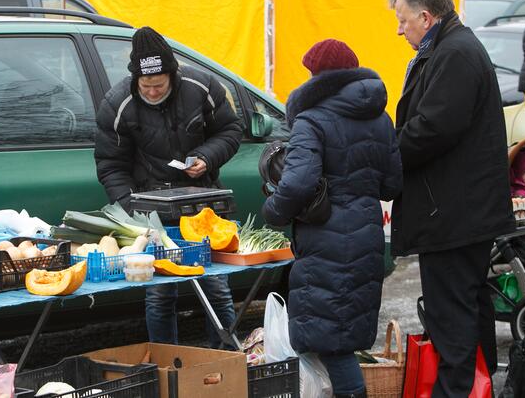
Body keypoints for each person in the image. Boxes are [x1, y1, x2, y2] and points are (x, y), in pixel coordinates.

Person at [387, 0, 515, 397]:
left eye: (404, 21)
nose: (400, 29)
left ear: (426, 16)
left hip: (453, 214)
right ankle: (477, 388)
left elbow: (432, 129)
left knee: (451, 314)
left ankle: (457, 390)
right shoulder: (450, 47)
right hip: (459, 210)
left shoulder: (455, 52)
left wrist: (386, 154)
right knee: (467, 307)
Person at [262, 39, 402, 398]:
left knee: (332, 343)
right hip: (366, 234)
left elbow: (297, 182)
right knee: (340, 333)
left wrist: (273, 211)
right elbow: (392, 184)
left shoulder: (312, 119)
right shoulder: (381, 119)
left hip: (326, 238)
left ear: (318, 78)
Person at [94, 26, 242, 348]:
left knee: (216, 288)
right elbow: (110, 166)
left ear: (172, 74)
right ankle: (167, 363)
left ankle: (224, 359)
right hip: (153, 214)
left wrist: (207, 157)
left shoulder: (200, 86)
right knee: (160, 294)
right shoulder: (117, 103)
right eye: (144, 85)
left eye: (158, 85)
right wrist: (132, 213)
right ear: (136, 79)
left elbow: (231, 129)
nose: (150, 91)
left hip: (203, 206)